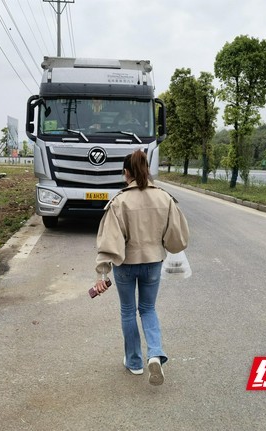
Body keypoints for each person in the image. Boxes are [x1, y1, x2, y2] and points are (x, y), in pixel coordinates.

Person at [93, 150, 189, 386]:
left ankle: (134, 363)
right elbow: (177, 237)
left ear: (126, 173)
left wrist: (102, 273)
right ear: (146, 170)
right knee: (148, 309)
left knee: (128, 311)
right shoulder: (164, 198)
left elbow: (109, 241)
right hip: (153, 262)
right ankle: (155, 353)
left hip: (125, 264)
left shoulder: (119, 201)